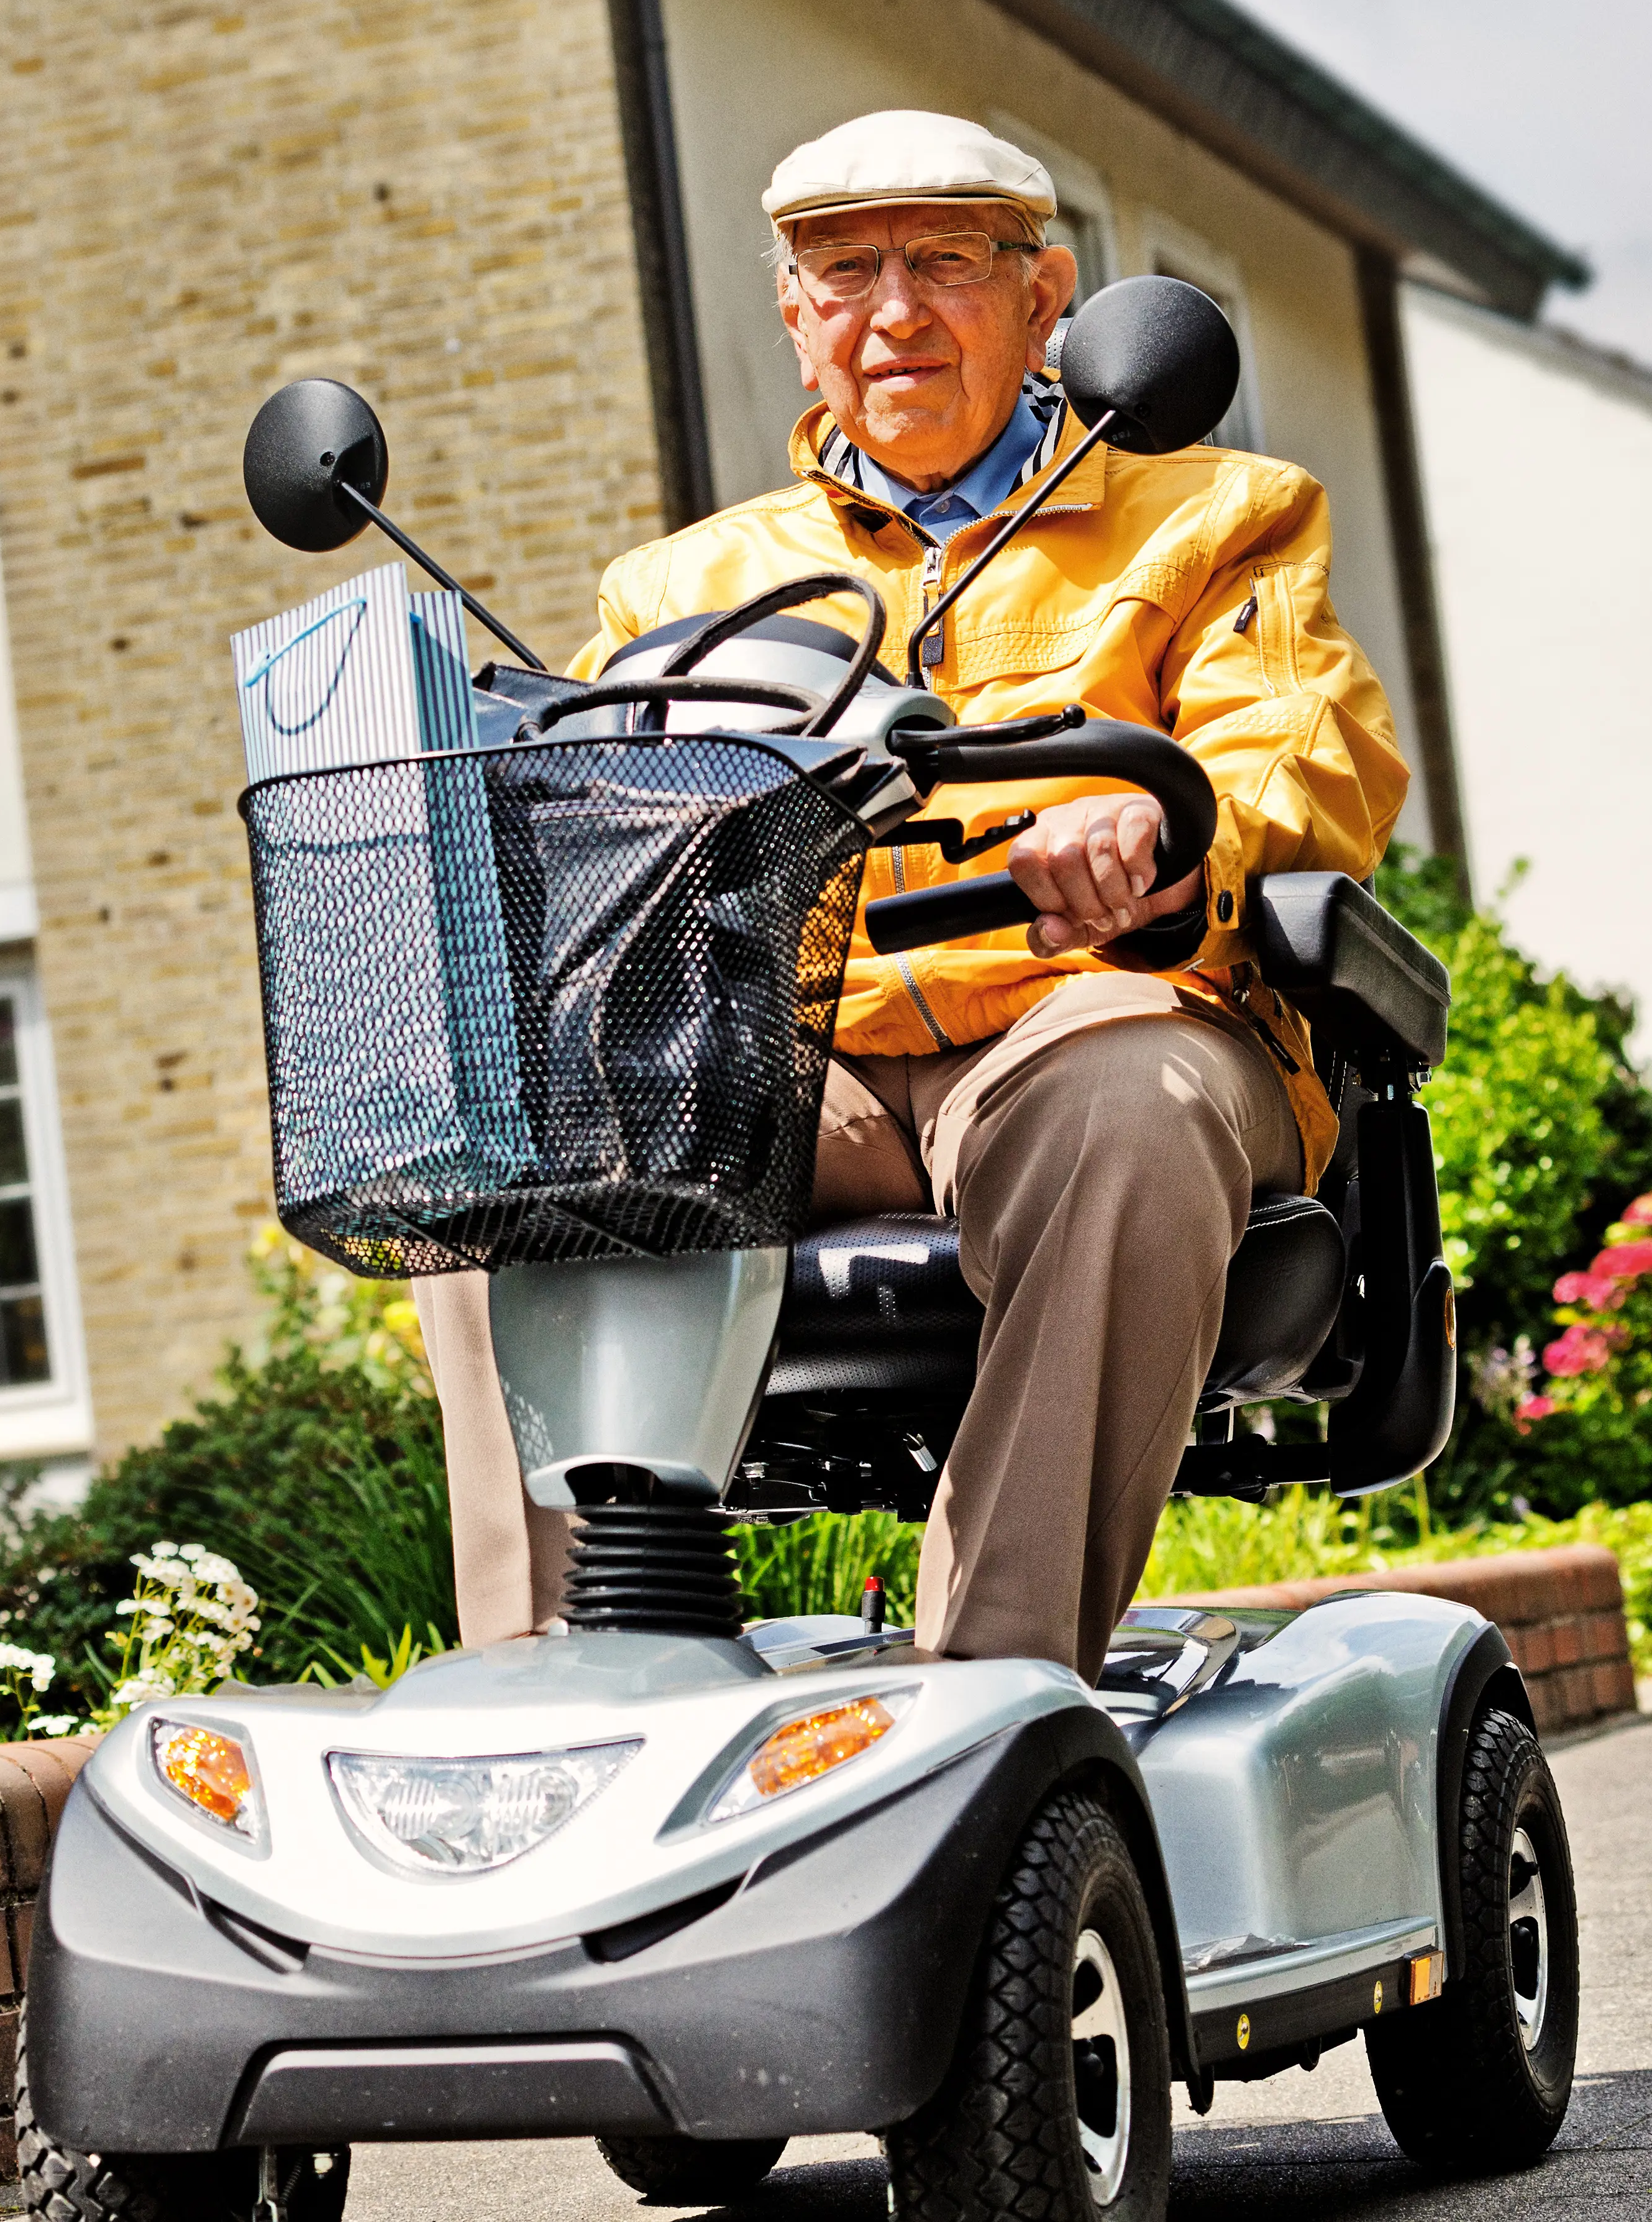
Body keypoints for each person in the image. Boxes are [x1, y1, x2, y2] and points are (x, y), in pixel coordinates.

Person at [411, 110, 1405, 1677]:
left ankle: (999, 1699)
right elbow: (600, 843)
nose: (892, 314)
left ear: (1044, 296)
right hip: (807, 1063)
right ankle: (562, 1686)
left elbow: (1306, 754)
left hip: (1106, 1014)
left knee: (1123, 1110)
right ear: (796, 323)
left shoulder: (1216, 513)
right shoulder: (673, 588)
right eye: (842, 274)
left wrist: (1153, 837)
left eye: (944, 263)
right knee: (504, 1171)